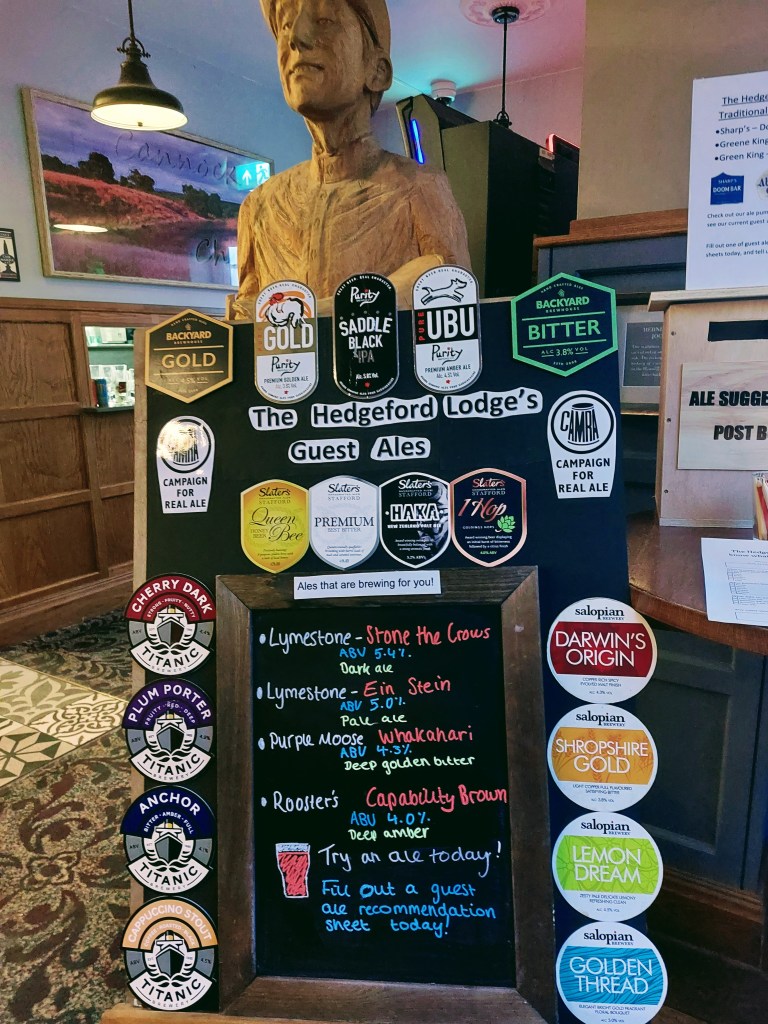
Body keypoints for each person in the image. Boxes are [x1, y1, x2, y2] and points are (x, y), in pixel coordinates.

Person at [228, 0, 471, 319]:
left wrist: (322, 314)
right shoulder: (260, 208)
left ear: (377, 70)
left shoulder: (420, 189)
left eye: (325, 21)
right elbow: (246, 327)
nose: (296, 38)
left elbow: (455, 303)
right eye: (285, 25)